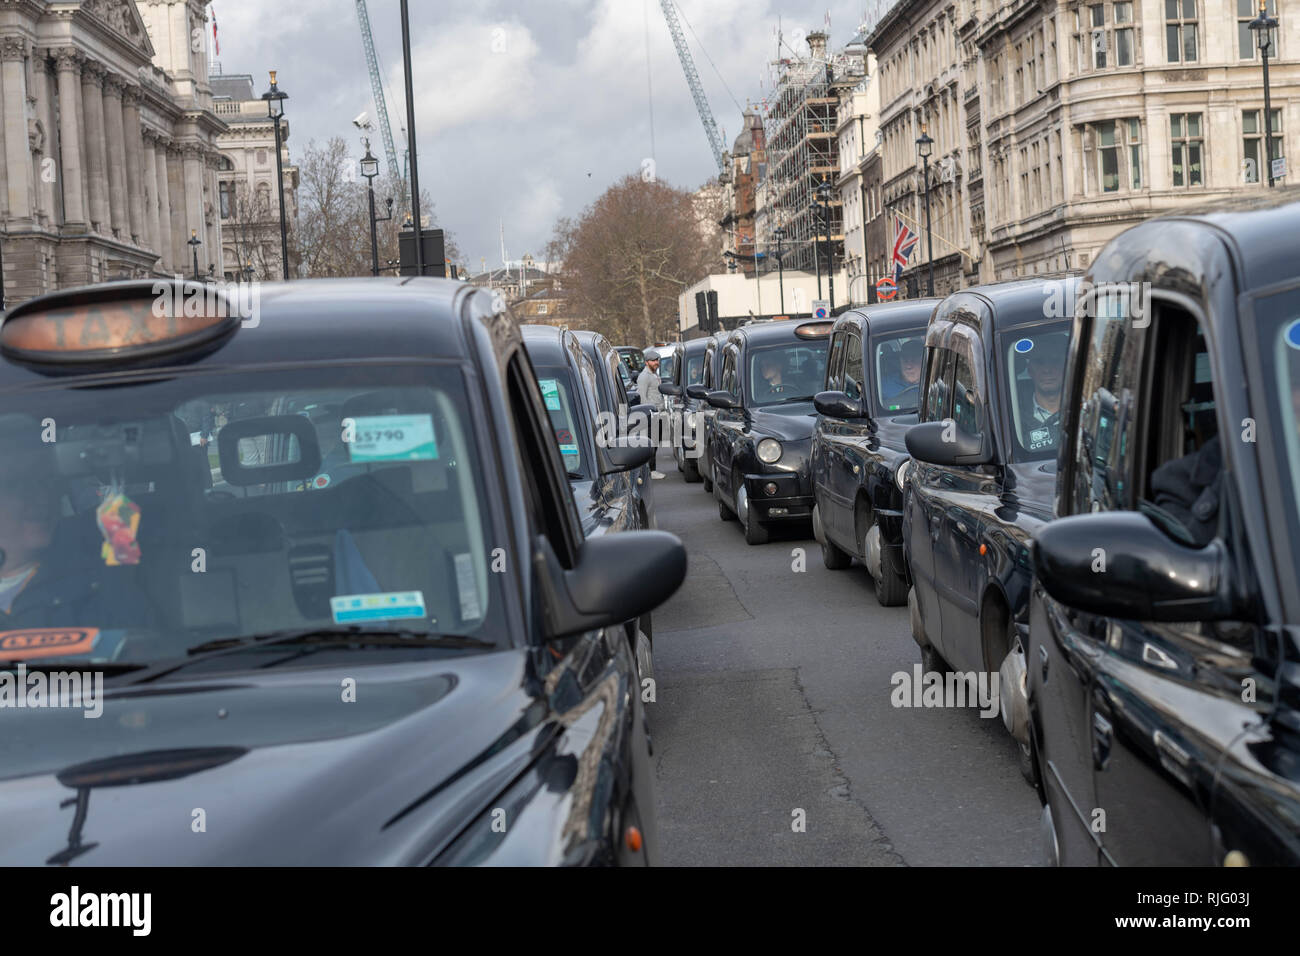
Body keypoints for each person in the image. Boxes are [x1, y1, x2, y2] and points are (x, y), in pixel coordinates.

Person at [1018, 336, 1068, 452]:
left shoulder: (1084, 412)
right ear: (1030, 370)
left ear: (1066, 367)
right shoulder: (1014, 420)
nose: (1047, 370)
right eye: (1039, 362)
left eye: (1055, 361)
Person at [636, 349, 666, 479]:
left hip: (657, 414)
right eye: (653, 361)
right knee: (651, 443)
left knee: (655, 442)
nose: (656, 363)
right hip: (650, 415)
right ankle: (651, 470)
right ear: (647, 362)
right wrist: (648, 414)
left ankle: (651, 469)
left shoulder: (654, 375)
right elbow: (642, 397)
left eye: (657, 360)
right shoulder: (644, 377)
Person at [881, 339, 923, 406]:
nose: (908, 366)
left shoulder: (934, 384)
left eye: (914, 360)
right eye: (905, 360)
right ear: (900, 361)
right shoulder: (883, 384)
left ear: (924, 361)